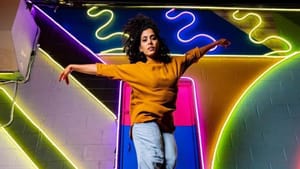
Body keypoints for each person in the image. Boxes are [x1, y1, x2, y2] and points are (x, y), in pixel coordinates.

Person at [59, 13, 230, 169]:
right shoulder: (136, 70)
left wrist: (215, 43)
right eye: (145, 40)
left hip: (165, 125)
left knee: (170, 161)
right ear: (140, 48)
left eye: (153, 38)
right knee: (154, 159)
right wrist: (73, 67)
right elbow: (103, 70)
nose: (149, 42)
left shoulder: (174, 65)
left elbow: (194, 55)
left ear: (158, 42)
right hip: (144, 122)